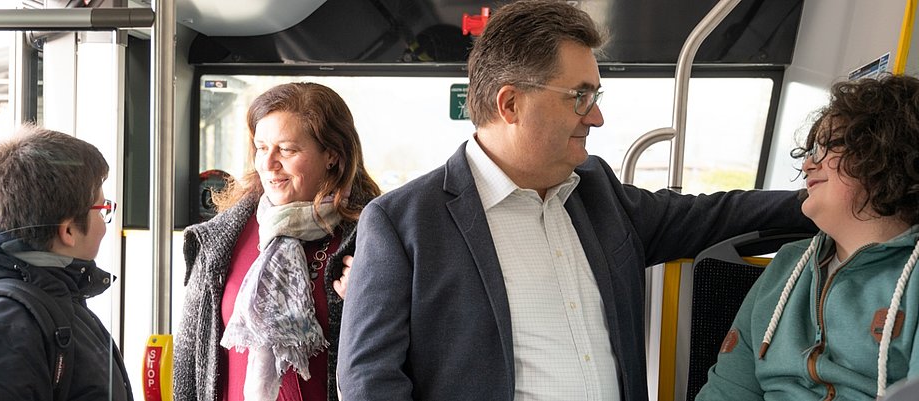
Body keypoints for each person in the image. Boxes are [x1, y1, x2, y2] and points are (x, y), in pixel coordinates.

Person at [336, 1, 816, 400]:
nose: (598, 116)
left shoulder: (598, 192)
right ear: (510, 104)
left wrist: (830, 200)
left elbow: (716, 216)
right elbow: (368, 383)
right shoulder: (402, 222)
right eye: (580, 96)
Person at [697, 75, 919, 400]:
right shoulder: (787, 265)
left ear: (883, 152)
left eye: (826, 147)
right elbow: (728, 389)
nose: (807, 164)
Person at [173, 82, 382, 401]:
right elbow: (188, 362)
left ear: (332, 156)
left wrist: (372, 301)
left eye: (286, 149)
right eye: (261, 147)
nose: (268, 163)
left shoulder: (373, 239)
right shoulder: (220, 239)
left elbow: (410, 358)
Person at [0, 125, 134, 401]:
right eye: (102, 210)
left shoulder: (40, 293)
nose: (105, 223)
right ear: (68, 231)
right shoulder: (6, 328)